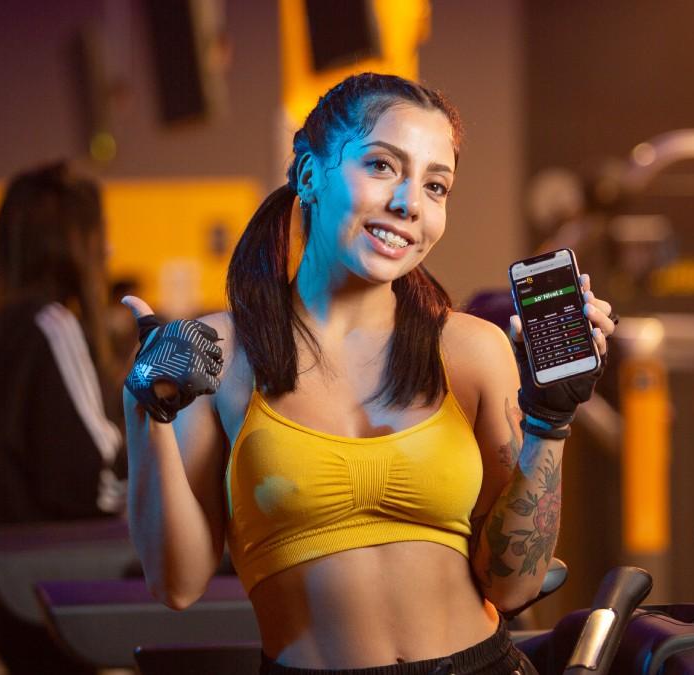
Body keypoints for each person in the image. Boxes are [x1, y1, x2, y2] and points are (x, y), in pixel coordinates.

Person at [121, 73, 617, 673]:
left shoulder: (471, 351)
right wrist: (145, 405)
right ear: (309, 174)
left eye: (437, 186)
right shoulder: (221, 353)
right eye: (382, 166)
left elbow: (511, 589)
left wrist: (550, 422)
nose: (411, 203)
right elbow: (177, 584)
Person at [0, 161, 123, 528]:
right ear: (71, 241)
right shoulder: (52, 326)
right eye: (99, 232)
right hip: (43, 558)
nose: (109, 248)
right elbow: (89, 480)